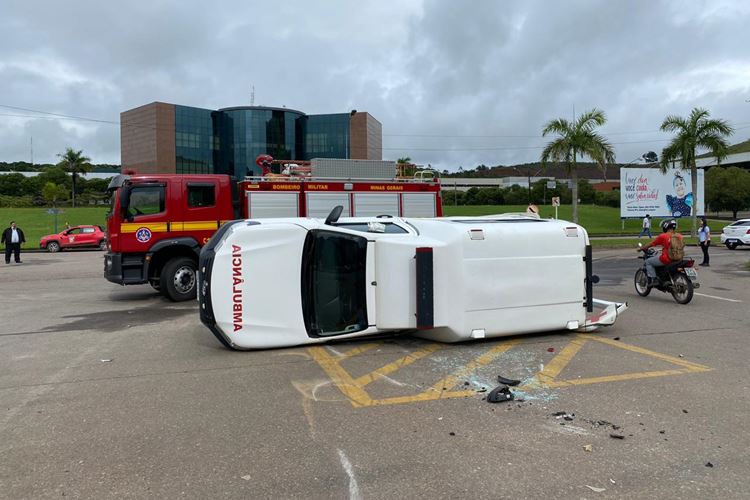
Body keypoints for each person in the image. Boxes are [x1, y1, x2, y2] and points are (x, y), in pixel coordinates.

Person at [638, 219, 682, 284]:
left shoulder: (663, 236)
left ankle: (654, 279)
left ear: (666, 226)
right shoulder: (679, 236)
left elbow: (652, 244)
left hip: (667, 258)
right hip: (678, 258)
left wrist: (642, 248)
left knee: (648, 262)